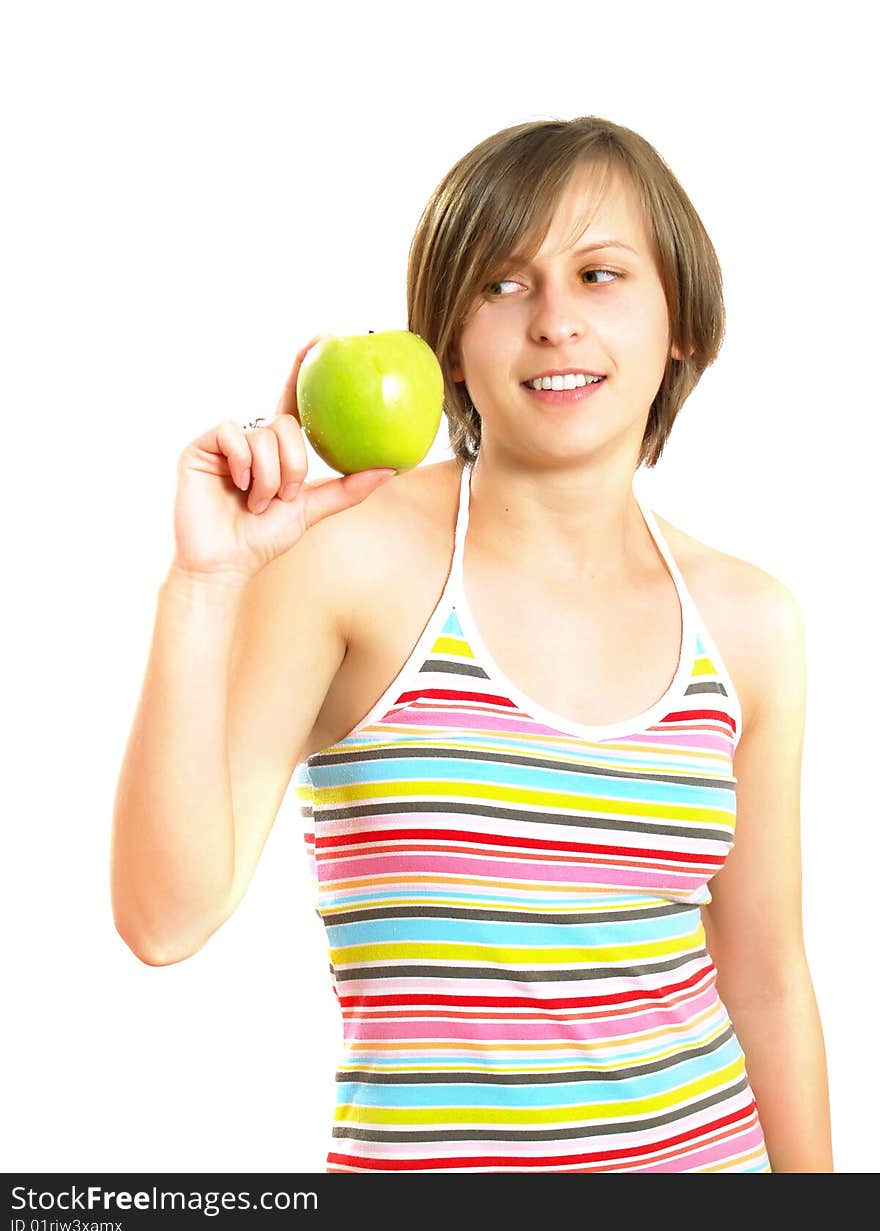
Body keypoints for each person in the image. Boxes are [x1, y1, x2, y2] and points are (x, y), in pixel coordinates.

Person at [111, 115, 833, 1173]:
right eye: (502, 284)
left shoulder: (750, 623)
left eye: (599, 274)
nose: (554, 321)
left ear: (680, 319)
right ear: (445, 339)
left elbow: (766, 975)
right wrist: (205, 583)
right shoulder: (353, 563)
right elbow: (164, 920)